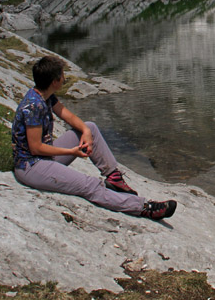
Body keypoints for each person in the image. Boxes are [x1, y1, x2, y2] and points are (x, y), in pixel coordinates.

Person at [12, 56, 176, 220]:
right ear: (54, 81)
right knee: (89, 185)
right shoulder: (34, 106)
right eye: (62, 75)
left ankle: (114, 177)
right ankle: (144, 207)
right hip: (31, 166)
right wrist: (71, 151)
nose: (64, 78)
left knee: (90, 127)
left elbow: (67, 115)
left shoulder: (45, 95)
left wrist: (85, 130)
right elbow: (35, 147)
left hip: (45, 159)